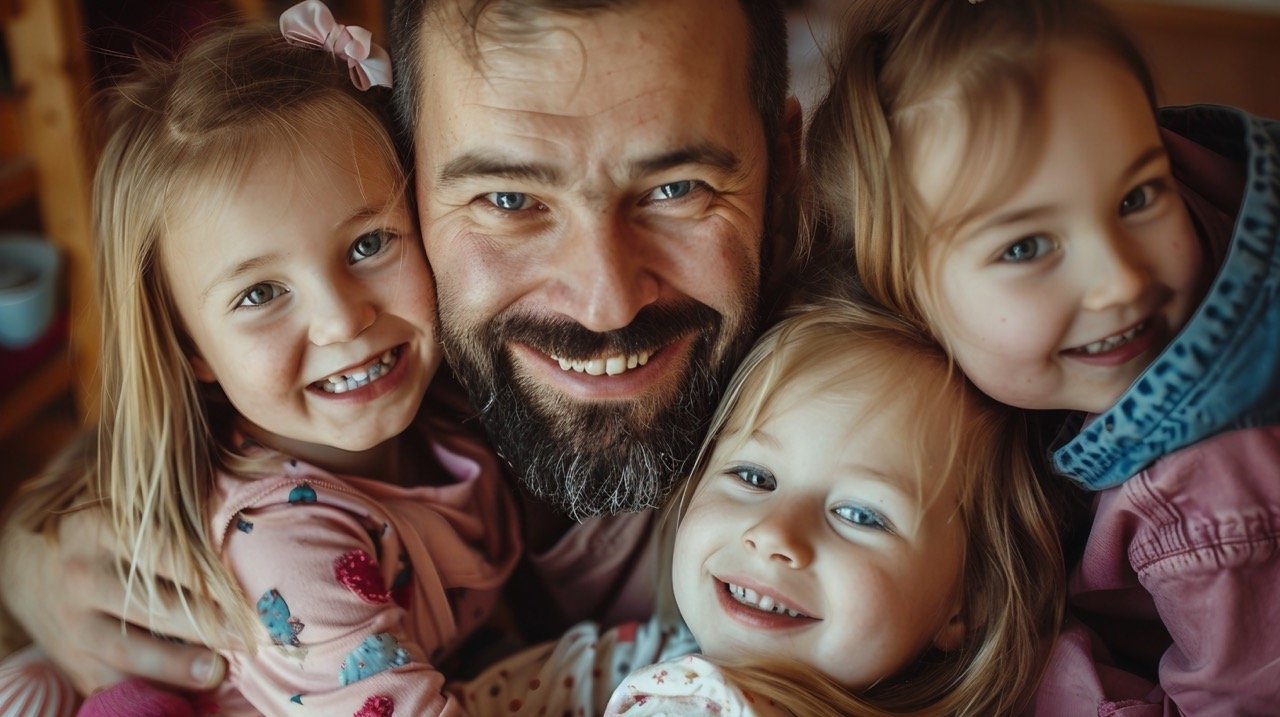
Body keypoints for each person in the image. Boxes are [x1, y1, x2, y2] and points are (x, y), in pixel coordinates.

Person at [0, 0, 803, 698]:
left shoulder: (855, 382)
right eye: (508, 198)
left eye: (676, 187)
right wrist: (28, 545)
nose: (604, 302)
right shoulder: (344, 451)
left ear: (790, 166)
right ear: (414, 180)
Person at [3, 3, 523, 714]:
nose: (343, 318)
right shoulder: (285, 542)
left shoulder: (458, 421)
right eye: (261, 293)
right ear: (190, 348)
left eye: (369, 244)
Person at [803, 0, 1280, 712]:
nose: (1120, 279)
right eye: (1027, 247)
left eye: (1138, 195)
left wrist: (1024, 664)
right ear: (909, 303)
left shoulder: (1208, 491)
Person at [439, 300, 1064, 716]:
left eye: (861, 515)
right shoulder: (659, 652)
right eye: (753, 475)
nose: (774, 533)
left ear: (971, 600)